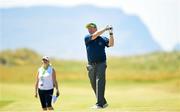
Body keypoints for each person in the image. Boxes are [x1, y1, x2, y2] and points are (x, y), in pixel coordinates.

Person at [84, 23, 114, 109]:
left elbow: (111, 44)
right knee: (94, 84)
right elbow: (94, 35)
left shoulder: (102, 39)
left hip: (101, 63)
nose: (89, 30)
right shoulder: (87, 37)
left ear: (95, 28)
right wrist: (105, 29)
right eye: (88, 28)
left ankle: (99, 104)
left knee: (100, 82)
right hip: (91, 65)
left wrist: (111, 33)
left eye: (91, 28)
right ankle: (103, 102)